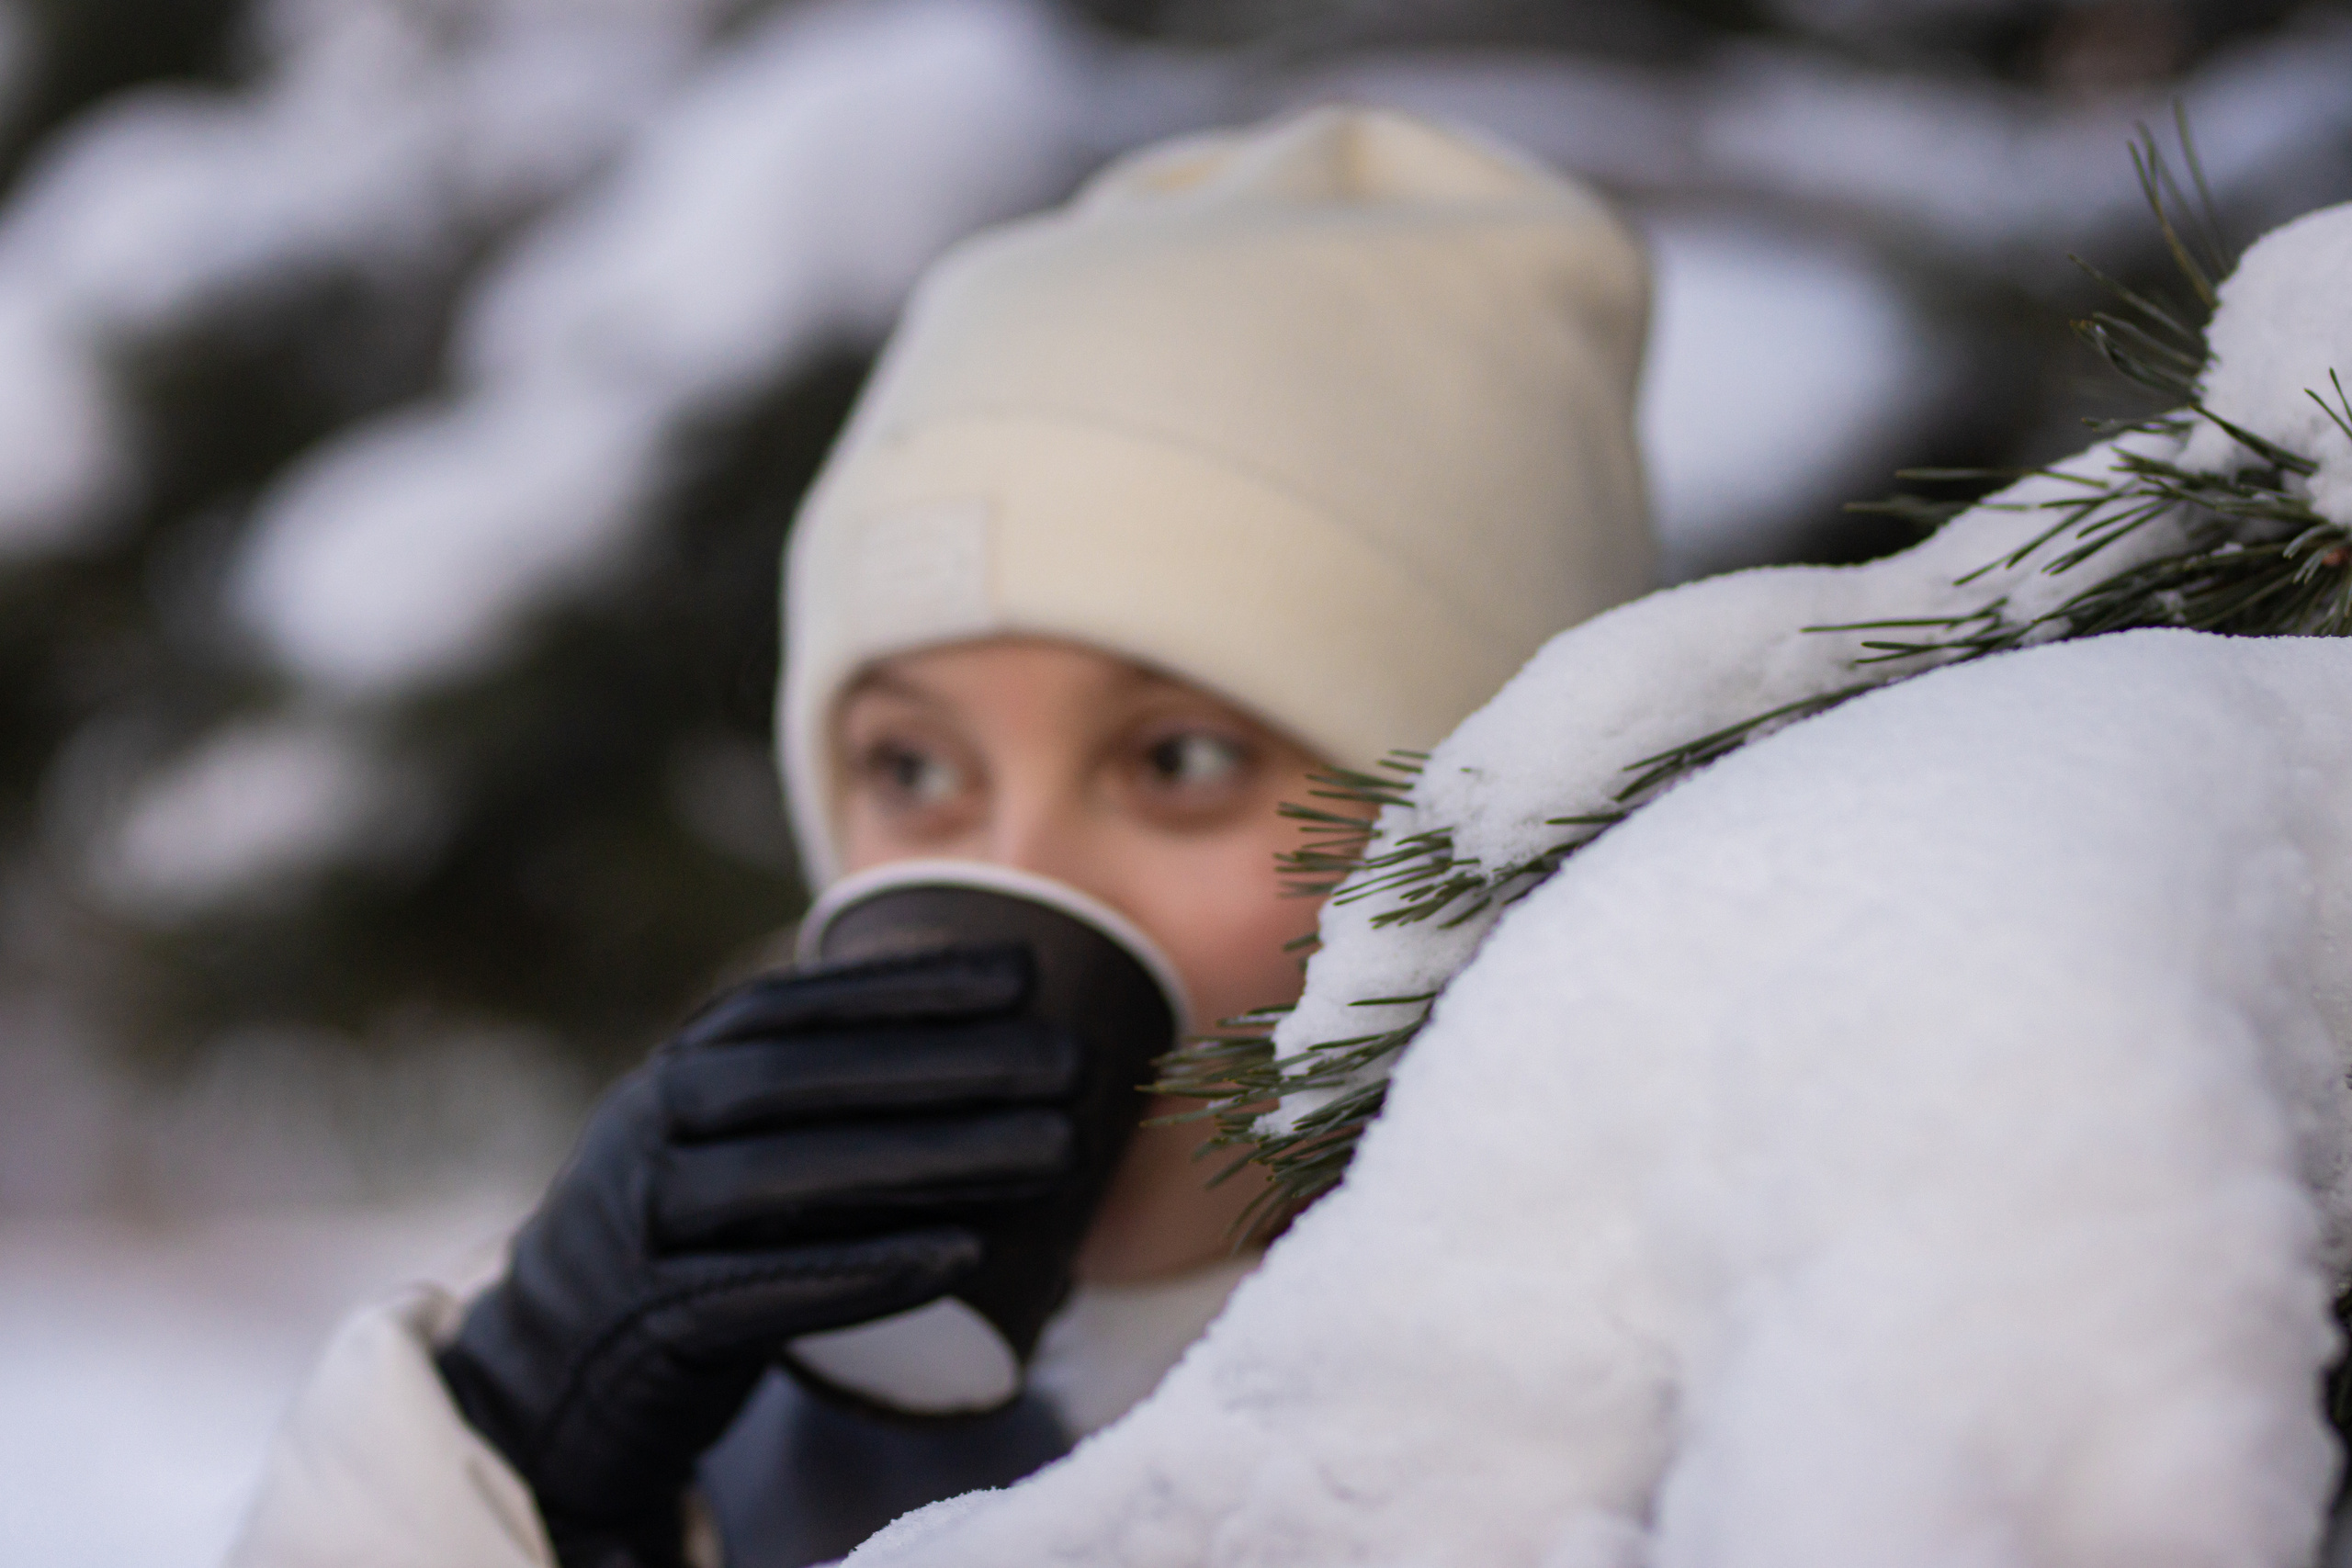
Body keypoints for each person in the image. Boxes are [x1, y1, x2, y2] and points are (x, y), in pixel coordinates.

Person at [224, 106, 1655, 1568]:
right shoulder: (736, 1462)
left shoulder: (1719, 1442)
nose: (1017, 876)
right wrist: (510, 1446)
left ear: (1472, 847)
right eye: (911, 765)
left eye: (1183, 759)